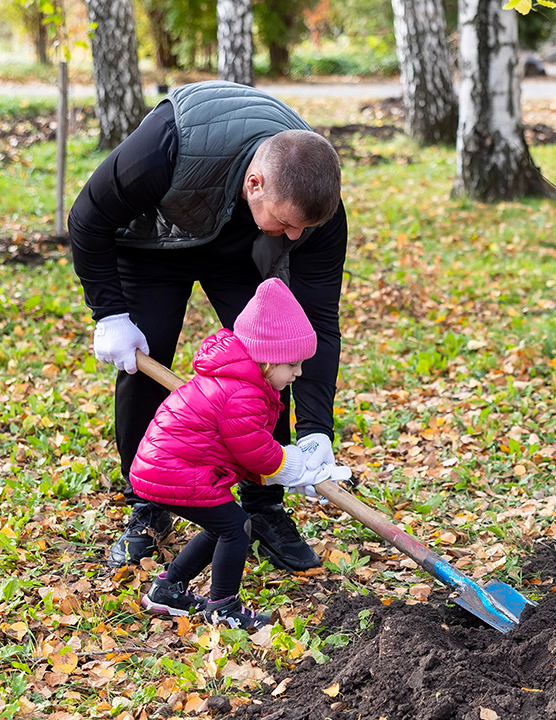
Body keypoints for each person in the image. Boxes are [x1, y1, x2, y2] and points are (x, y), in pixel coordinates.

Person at [68, 80, 349, 571]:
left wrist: (316, 430)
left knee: (270, 363)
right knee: (144, 358)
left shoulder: (313, 207)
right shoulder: (166, 145)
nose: (296, 237)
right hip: (151, 246)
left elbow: (318, 322)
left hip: (238, 251)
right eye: (287, 224)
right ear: (256, 183)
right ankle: (148, 505)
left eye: (304, 229)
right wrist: (109, 313)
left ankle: (265, 508)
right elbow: (87, 218)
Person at [134, 278, 321, 629]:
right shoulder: (242, 393)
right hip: (175, 472)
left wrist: (289, 469)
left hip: (166, 468)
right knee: (237, 529)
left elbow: (243, 453)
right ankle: (224, 607)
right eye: (293, 364)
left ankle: (167, 590)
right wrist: (294, 467)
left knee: (225, 524)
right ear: (267, 360)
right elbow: (256, 451)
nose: (298, 372)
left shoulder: (239, 383)